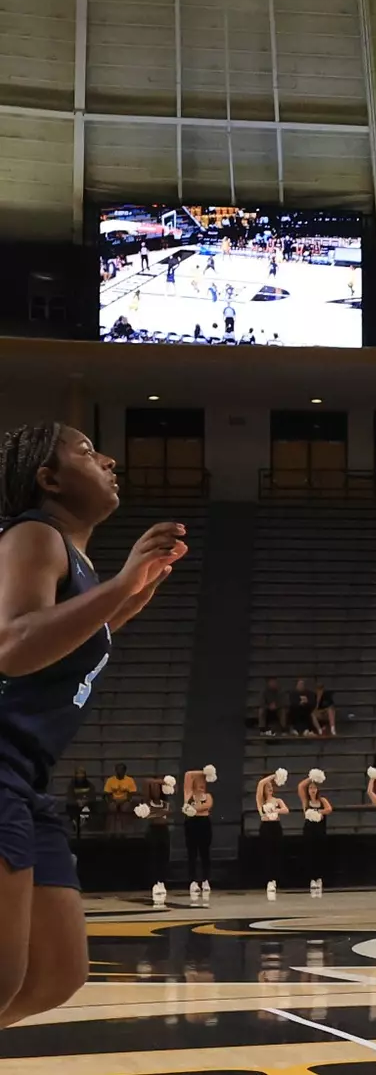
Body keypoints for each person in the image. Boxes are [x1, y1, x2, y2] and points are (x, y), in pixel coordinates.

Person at [0, 422, 184, 1027]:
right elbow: (14, 643)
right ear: (47, 479)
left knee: (56, 972)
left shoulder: (73, 561)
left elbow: (70, 643)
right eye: (84, 451)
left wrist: (130, 597)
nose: (107, 458)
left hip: (27, 777)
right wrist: (124, 583)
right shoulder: (35, 533)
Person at [297, 771, 333, 894]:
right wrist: (311, 778)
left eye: (314, 788)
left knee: (320, 855)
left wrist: (319, 813)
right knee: (310, 855)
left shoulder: (322, 800)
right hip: (309, 830)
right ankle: (312, 879)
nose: (312, 790)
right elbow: (300, 786)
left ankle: (319, 878)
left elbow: (329, 809)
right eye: (311, 788)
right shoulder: (306, 802)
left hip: (320, 830)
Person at [256, 770, 290, 894]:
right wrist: (273, 776)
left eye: (271, 786)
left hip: (276, 826)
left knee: (276, 853)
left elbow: (286, 810)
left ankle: (275, 879)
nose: (270, 788)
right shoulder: (261, 801)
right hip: (266, 827)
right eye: (268, 787)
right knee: (267, 853)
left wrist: (276, 811)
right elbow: (260, 784)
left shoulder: (277, 800)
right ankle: (269, 880)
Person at [181, 768, 214, 896]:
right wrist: (204, 773)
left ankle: (205, 880)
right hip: (191, 824)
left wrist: (192, 808)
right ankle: (193, 881)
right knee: (192, 853)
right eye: (199, 781)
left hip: (204, 823)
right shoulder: (189, 794)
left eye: (203, 782)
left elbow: (206, 806)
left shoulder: (208, 796)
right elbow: (188, 774)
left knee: (205, 853)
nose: (201, 784)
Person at [138, 777, 171, 899]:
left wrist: (162, 783)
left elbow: (166, 813)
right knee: (154, 856)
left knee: (164, 856)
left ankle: (162, 881)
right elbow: (146, 782)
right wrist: (157, 782)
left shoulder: (166, 803)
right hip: (153, 831)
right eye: (154, 789)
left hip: (164, 831)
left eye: (158, 789)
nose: (156, 791)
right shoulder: (148, 803)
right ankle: (154, 882)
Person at [103, 763, 137, 835]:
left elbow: (130, 794)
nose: (119, 771)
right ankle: (111, 832)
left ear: (124, 771)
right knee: (112, 808)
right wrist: (113, 801)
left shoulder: (130, 780)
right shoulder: (110, 780)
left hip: (125, 800)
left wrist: (122, 801)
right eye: (118, 770)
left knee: (125, 809)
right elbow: (108, 793)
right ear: (115, 770)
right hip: (113, 800)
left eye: (121, 770)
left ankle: (124, 832)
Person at [64, 768, 92, 838]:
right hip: (74, 805)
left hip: (85, 805)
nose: (80, 778)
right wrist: (77, 802)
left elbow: (92, 796)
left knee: (86, 810)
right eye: (78, 776)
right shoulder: (71, 785)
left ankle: (80, 825)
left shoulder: (89, 785)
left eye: (81, 776)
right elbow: (69, 796)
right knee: (70, 807)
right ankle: (75, 824)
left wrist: (85, 801)